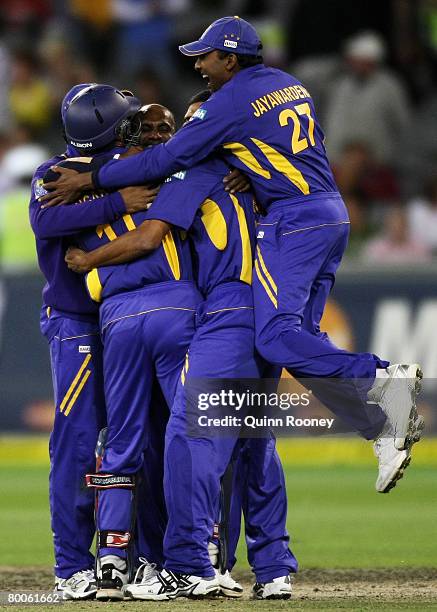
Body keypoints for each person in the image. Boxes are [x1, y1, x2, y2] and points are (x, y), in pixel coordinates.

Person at [42, 16, 423, 494]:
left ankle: (384, 375)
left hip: (292, 221)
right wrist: (249, 167)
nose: (199, 65)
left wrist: (89, 181)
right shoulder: (289, 85)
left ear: (230, 58)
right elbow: (298, 146)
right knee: (301, 343)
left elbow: (167, 161)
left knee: (277, 339)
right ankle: (379, 428)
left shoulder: (227, 103)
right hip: (330, 212)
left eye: (205, 56)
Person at [65, 94, 297, 601]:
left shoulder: (181, 174)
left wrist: (86, 259)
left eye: (176, 127)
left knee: (175, 435)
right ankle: (265, 565)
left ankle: (173, 561)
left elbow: (147, 237)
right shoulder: (251, 171)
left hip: (215, 311)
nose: (166, 136)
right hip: (259, 308)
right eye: (157, 129)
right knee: (249, 439)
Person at [29, 83, 154, 599]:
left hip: (130, 317)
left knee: (137, 441)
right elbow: (45, 219)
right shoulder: (53, 173)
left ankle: (134, 557)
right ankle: (70, 567)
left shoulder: (134, 162)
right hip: (78, 321)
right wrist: (115, 200)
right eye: (126, 120)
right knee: (78, 443)